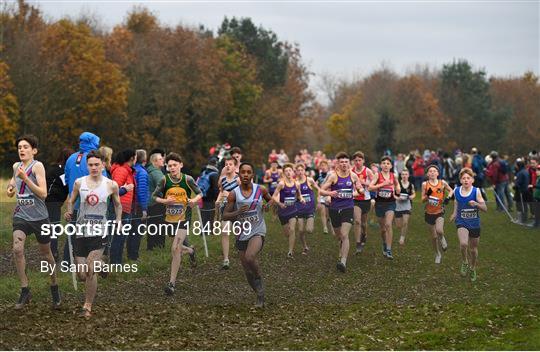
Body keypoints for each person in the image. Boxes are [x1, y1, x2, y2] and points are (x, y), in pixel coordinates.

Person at [64, 150, 122, 317]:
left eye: (97, 164)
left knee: (90, 268)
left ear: (103, 165)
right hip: (82, 231)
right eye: (90, 165)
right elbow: (71, 200)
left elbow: (118, 205)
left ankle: (87, 306)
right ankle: (103, 265)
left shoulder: (111, 184)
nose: (94, 167)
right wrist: (69, 212)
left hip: (100, 231)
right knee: (82, 274)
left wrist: (118, 220)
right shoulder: (79, 182)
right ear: (87, 166)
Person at [7, 135, 61, 310]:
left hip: (39, 217)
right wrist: (10, 188)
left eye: (25, 147)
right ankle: (25, 289)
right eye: (19, 147)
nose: (21, 150)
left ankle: (54, 286)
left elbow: (43, 194)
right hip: (21, 215)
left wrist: (26, 178)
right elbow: (13, 182)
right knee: (17, 248)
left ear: (34, 150)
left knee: (46, 254)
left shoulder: (37, 166)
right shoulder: (16, 166)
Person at [222, 162, 273, 308]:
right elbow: (225, 215)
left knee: (250, 257)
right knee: (246, 269)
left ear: (252, 175)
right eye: (243, 172)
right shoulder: (234, 194)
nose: (245, 174)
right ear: (239, 174)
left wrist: (267, 206)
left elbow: (270, 201)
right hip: (241, 232)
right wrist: (238, 212)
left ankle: (259, 280)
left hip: (257, 230)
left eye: (248, 172)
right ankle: (258, 292)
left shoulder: (260, 189)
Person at [152, 153, 201, 295]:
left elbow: (199, 193)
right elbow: (154, 196)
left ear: (181, 165)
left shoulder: (188, 179)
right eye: (169, 165)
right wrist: (165, 201)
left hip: (184, 218)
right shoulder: (164, 180)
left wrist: (194, 200)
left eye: (175, 165)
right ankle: (191, 251)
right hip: (169, 219)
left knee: (175, 248)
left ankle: (171, 283)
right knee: (176, 249)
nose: (172, 168)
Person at [64, 132, 103, 263]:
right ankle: (89, 262)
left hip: (73, 203)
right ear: (94, 144)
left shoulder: (71, 158)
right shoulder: (94, 161)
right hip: (91, 206)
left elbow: (67, 179)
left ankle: (67, 263)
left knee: (72, 234)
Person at [321, 152, 363, 272]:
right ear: (338, 164)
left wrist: (360, 190)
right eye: (341, 162)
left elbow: (359, 187)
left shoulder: (353, 176)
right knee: (338, 235)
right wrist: (330, 193)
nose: (344, 164)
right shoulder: (333, 176)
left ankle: (343, 262)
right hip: (334, 209)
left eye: (346, 162)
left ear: (349, 163)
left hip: (348, 208)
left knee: (345, 235)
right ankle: (341, 250)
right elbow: (322, 191)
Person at [451, 168, 487, 282]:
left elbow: (485, 208)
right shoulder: (456, 190)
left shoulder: (476, 191)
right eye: (463, 178)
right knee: (463, 244)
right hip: (461, 222)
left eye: (468, 178)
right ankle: (465, 261)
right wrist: (454, 213)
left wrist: (476, 204)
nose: (466, 180)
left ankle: (472, 267)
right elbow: (456, 202)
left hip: (474, 224)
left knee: (473, 249)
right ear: (460, 180)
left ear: (472, 180)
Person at [369, 156, 401, 260]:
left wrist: (398, 189)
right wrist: (382, 184)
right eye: (384, 163)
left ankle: (389, 249)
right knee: (383, 230)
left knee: (388, 224)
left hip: (390, 203)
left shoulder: (393, 176)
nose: (386, 165)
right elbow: (370, 187)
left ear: (391, 166)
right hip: (379, 204)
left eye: (388, 163)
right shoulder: (377, 175)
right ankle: (384, 243)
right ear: (381, 165)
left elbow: (397, 185)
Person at [45, 147, 73, 262]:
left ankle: (51, 252)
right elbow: (68, 184)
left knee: (51, 227)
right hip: (51, 201)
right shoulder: (60, 170)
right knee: (54, 227)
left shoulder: (55, 168)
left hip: (51, 201)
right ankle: (53, 253)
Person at [421, 165, 453, 264]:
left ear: (438, 173)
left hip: (439, 211)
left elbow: (451, 190)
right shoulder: (424, 184)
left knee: (439, 230)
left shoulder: (442, 183)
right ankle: (437, 254)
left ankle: (442, 238)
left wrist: (448, 198)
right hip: (429, 213)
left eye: (434, 171)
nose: (432, 173)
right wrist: (428, 194)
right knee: (434, 237)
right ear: (427, 174)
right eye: (430, 171)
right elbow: (422, 199)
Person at [109, 149, 137, 264]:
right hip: (119, 208)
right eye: (135, 157)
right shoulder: (121, 170)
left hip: (125, 207)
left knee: (121, 237)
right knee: (118, 237)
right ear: (131, 158)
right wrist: (125, 189)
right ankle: (115, 262)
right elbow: (113, 190)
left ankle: (117, 262)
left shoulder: (127, 170)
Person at [273, 163, 305, 258]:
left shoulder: (297, 184)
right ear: (283, 173)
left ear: (293, 172)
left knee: (292, 230)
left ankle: (290, 251)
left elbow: (299, 195)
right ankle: (290, 243)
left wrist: (302, 199)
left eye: (290, 171)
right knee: (287, 233)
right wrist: (279, 203)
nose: (288, 173)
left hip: (293, 210)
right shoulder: (281, 184)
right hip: (283, 212)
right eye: (286, 171)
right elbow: (274, 196)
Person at [215, 156, 239, 269]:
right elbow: (221, 192)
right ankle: (226, 259)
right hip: (226, 208)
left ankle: (245, 253)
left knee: (240, 234)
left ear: (235, 166)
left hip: (237, 208)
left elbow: (243, 196)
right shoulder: (223, 180)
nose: (228, 166)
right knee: (224, 232)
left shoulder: (239, 179)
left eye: (230, 164)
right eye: (226, 164)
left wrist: (229, 195)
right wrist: (218, 200)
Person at [127, 149, 149, 261]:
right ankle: (134, 256)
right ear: (145, 158)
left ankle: (130, 254)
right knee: (137, 231)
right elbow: (142, 191)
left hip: (131, 204)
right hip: (138, 205)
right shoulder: (142, 172)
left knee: (131, 231)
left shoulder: (132, 169)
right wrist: (144, 209)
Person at [351, 151, 374, 253]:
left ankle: (364, 234)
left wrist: (364, 182)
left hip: (365, 199)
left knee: (364, 223)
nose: (357, 162)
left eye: (359, 160)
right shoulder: (351, 171)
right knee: (357, 221)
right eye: (355, 160)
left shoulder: (368, 171)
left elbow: (373, 184)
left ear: (363, 161)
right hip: (355, 199)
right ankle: (358, 243)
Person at [294, 163, 320, 255]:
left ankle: (309, 224)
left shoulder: (309, 180)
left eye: (302, 170)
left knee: (309, 230)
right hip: (299, 209)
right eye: (298, 170)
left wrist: (319, 200)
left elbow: (319, 190)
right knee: (301, 230)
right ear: (296, 172)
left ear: (304, 171)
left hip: (309, 209)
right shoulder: (294, 182)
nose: (300, 172)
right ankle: (305, 247)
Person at [146, 151, 166, 250]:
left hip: (150, 203)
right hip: (157, 203)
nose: (163, 160)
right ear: (154, 161)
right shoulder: (156, 172)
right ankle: (158, 246)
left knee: (152, 225)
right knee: (159, 225)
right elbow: (164, 187)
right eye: (160, 159)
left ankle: (151, 246)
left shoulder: (150, 170)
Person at [198, 157, 220, 231]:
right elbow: (215, 189)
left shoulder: (204, 171)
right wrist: (217, 199)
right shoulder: (214, 174)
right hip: (210, 198)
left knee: (203, 215)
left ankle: (203, 230)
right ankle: (208, 231)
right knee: (210, 215)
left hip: (202, 197)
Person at [395, 169, 415, 246]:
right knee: (398, 225)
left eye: (406, 174)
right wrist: (397, 198)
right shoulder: (397, 184)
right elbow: (393, 194)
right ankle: (402, 231)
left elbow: (414, 194)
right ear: (401, 175)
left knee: (405, 222)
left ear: (408, 175)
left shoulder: (411, 185)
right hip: (398, 205)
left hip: (407, 205)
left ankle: (402, 237)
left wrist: (410, 197)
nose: (404, 176)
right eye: (403, 174)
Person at [316, 160, 331, 234]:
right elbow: (314, 183)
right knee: (322, 211)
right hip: (322, 194)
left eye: (324, 165)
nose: (323, 167)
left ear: (327, 166)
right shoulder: (318, 175)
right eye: (322, 165)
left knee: (328, 213)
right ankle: (325, 227)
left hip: (329, 194)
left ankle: (328, 220)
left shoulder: (331, 174)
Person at [514, 159, 531, 224]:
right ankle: (524, 218)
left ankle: (520, 220)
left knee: (519, 205)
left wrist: (515, 186)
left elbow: (518, 184)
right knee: (524, 205)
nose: (515, 166)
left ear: (518, 166)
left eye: (516, 165)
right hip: (526, 190)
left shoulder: (520, 173)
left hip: (520, 191)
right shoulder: (526, 171)